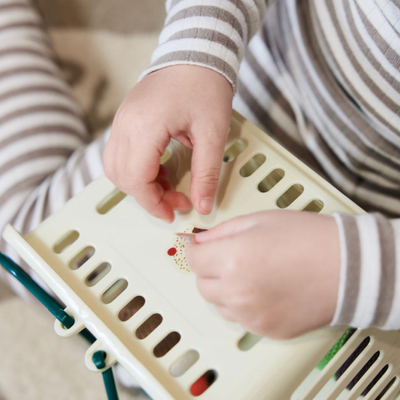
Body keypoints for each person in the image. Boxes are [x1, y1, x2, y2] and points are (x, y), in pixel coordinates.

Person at [0, 0, 399, 337]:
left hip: (371, 255)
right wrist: (196, 48)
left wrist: (353, 270)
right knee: (33, 246)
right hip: (233, 98)